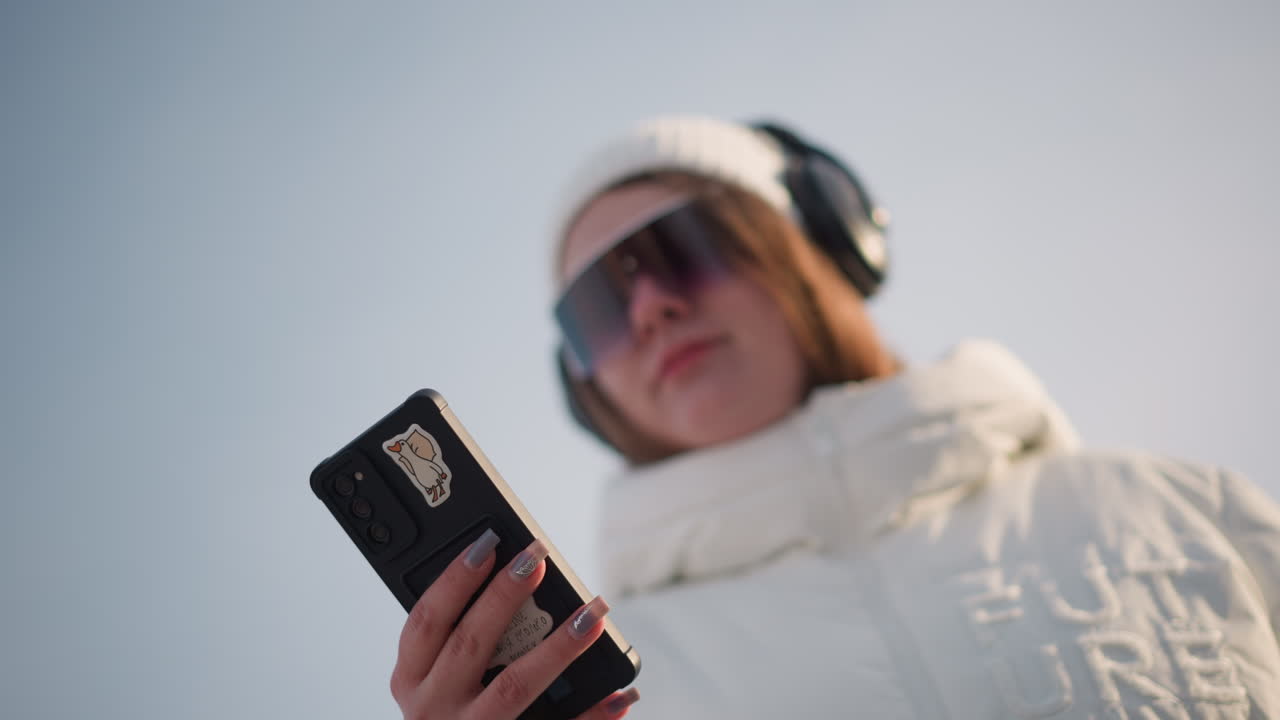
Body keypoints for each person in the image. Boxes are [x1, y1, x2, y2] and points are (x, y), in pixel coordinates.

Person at [390, 115, 1280, 719]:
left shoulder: (1171, 508)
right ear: (585, 388)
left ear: (819, 245)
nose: (652, 308)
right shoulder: (613, 691)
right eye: (596, 309)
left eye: (683, 251)